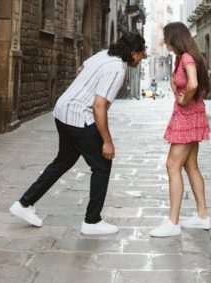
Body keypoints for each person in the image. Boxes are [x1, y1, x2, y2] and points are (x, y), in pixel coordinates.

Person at [10, 33, 146, 235]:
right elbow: (98, 106)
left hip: (62, 110)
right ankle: (92, 221)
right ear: (133, 52)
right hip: (78, 116)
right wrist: (107, 141)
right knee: (102, 164)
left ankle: (24, 204)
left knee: (63, 161)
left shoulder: (104, 55)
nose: (142, 57)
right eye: (142, 53)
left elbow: (80, 69)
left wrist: (83, 89)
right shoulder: (117, 68)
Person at [149, 22, 211, 237]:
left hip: (186, 117)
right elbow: (182, 84)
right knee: (190, 165)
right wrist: (179, 90)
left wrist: (184, 100)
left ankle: (173, 221)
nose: (165, 43)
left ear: (176, 38)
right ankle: (203, 216)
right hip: (190, 115)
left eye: (167, 39)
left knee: (172, 165)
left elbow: (193, 84)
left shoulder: (186, 58)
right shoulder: (181, 58)